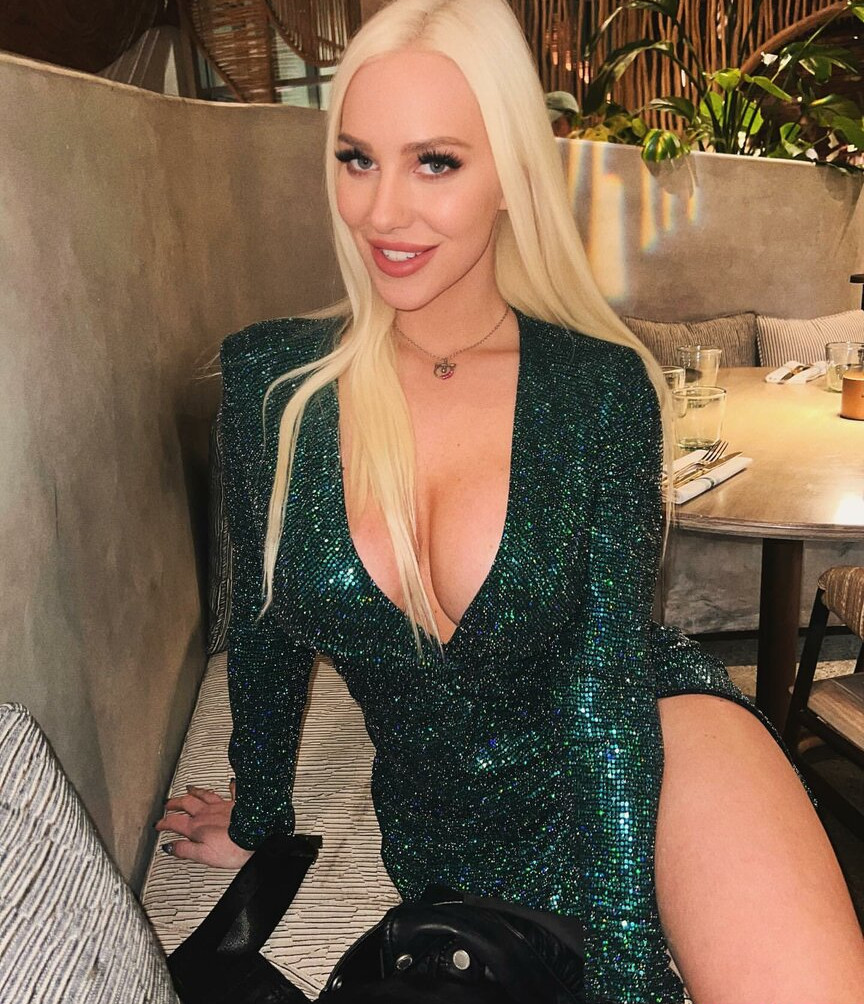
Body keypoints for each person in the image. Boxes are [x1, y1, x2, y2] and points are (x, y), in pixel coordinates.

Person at [156, 1, 864, 1000]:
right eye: (357, 158)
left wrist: (624, 974)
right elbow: (265, 629)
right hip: (445, 841)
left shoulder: (600, 388)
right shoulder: (274, 383)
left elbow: (608, 696)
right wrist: (259, 814)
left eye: (435, 162)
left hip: (657, 746)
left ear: (509, 178)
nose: (382, 211)